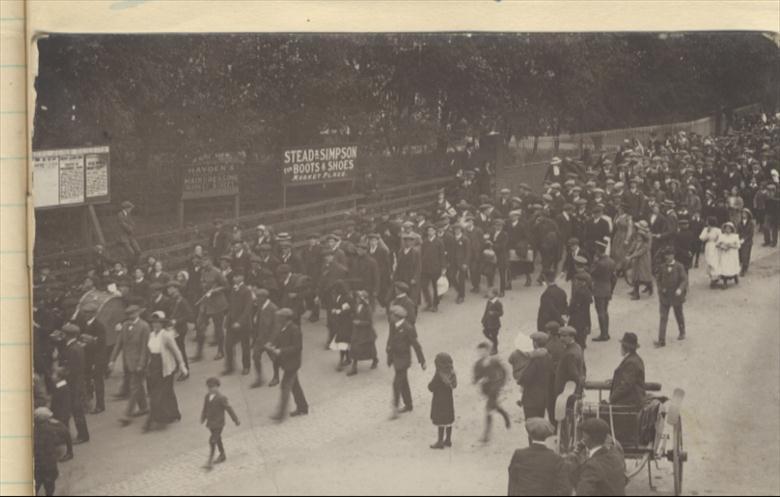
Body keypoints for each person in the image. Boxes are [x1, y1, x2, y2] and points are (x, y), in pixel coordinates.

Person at [144, 311, 188, 432]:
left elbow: (176, 351)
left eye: (158, 322)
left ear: (162, 324)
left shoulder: (166, 335)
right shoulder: (151, 335)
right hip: (153, 366)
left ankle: (154, 419)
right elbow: (148, 351)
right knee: (167, 391)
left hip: (165, 367)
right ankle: (174, 413)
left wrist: (182, 365)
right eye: (153, 322)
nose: (155, 325)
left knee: (158, 393)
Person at [109, 305, 150, 426]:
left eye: (133, 314)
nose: (130, 317)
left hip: (139, 364)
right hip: (127, 363)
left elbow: (144, 348)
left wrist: (141, 364)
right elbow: (119, 344)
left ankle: (127, 415)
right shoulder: (126, 325)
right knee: (138, 387)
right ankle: (144, 407)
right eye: (128, 315)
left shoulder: (144, 327)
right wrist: (112, 360)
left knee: (134, 387)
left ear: (138, 313)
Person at [507, 418, 571, 496]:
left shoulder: (519, 455)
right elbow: (565, 489)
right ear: (547, 436)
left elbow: (512, 484)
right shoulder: (556, 459)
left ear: (529, 435)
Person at [267, 308, 309, 421]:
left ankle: (280, 414)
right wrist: (272, 345)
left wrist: (281, 351)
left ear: (285, 319)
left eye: (280, 317)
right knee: (295, 386)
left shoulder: (295, 330)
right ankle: (303, 407)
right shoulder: (283, 328)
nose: (278, 319)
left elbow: (297, 347)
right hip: (287, 363)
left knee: (285, 386)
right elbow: (280, 341)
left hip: (292, 364)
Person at [387, 305, 427, 419]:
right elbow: (390, 339)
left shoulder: (408, 328)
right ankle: (409, 405)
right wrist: (389, 355)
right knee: (404, 382)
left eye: (392, 315)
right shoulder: (393, 325)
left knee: (396, 384)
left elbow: (416, 345)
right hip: (396, 358)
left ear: (397, 317)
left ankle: (395, 409)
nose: (390, 317)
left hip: (404, 360)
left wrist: (422, 361)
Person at [570, 418, 627, 496]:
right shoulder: (616, 456)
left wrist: (575, 453)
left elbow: (582, 492)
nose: (582, 439)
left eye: (583, 435)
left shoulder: (592, 466)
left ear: (588, 437)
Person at [58, 323, 90, 444]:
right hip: (78, 383)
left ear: (66, 335)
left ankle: (83, 435)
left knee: (77, 410)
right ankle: (83, 434)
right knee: (77, 410)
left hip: (74, 384)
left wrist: (61, 371)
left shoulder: (72, 349)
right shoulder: (77, 346)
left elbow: (71, 370)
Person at [473, 342, 511, 443]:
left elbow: (504, 372)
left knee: (488, 409)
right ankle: (504, 414)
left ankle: (486, 435)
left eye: (484, 351)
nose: (481, 353)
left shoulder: (495, 361)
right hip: (485, 390)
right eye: (480, 351)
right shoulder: (477, 364)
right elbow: (475, 378)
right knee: (494, 406)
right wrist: (479, 380)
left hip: (494, 389)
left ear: (488, 351)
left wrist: (501, 383)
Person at [201, 377, 240, 470]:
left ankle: (209, 462)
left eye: (212, 387)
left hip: (219, 423)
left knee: (212, 440)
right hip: (211, 423)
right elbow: (205, 408)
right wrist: (203, 417)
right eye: (209, 387)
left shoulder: (221, 398)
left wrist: (235, 420)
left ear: (217, 387)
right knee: (218, 439)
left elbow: (229, 409)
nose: (210, 389)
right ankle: (222, 454)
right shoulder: (207, 397)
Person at [34, 407, 72, 496]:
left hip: (37, 464)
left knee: (36, 484)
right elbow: (66, 432)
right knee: (49, 486)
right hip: (49, 463)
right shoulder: (53, 428)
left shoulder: (34, 429)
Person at [655, 247, 688, 348]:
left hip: (676, 296)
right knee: (663, 317)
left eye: (669, 255)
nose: (667, 257)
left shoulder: (679, 266)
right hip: (665, 297)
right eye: (666, 255)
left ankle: (682, 331)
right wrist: (661, 289)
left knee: (678, 314)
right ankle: (661, 340)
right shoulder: (662, 267)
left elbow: (684, 280)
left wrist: (680, 289)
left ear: (673, 255)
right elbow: (658, 280)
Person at [517, 332, 553, 420]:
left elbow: (526, 378)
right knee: (539, 421)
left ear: (535, 343)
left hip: (532, 398)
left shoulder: (535, 358)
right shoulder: (548, 356)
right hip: (543, 398)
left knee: (531, 424)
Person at [224, 273, 253, 376]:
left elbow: (248, 309)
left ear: (242, 277)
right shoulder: (233, 289)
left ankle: (246, 366)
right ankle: (230, 367)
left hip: (243, 324)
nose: (234, 278)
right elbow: (231, 306)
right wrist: (227, 320)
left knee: (245, 346)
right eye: (234, 276)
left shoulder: (247, 291)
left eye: (236, 276)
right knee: (228, 345)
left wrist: (239, 322)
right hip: (231, 323)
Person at [251, 288, 280, 388]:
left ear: (264, 297)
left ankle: (276, 377)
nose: (256, 300)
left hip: (269, 340)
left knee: (274, 359)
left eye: (257, 298)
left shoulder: (273, 308)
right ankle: (259, 378)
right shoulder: (260, 306)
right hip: (260, 339)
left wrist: (271, 341)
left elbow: (277, 327)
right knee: (255, 356)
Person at [428, 353, 457, 450]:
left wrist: (430, 386)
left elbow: (431, 387)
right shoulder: (452, 372)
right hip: (449, 400)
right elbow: (454, 385)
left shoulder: (439, 374)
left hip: (439, 401)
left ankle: (440, 442)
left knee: (440, 421)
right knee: (448, 420)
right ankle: (448, 440)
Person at [608, 332, 646, 407]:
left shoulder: (631, 362)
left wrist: (611, 399)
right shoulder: (635, 358)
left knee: (602, 409)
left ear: (626, 348)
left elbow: (626, 385)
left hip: (630, 402)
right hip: (631, 399)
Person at [348, 290, 379, 376]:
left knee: (369, 348)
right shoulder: (357, 306)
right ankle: (354, 367)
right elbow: (355, 314)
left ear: (362, 299)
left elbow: (369, 322)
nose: (357, 299)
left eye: (358, 297)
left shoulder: (367, 308)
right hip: (357, 331)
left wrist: (360, 323)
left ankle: (375, 359)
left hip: (366, 332)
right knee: (355, 347)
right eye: (357, 297)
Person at [591, 241, 616, 342]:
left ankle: (603, 334)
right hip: (608, 288)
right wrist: (611, 289)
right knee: (605, 311)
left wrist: (594, 262)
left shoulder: (599, 263)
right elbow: (614, 278)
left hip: (599, 289)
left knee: (600, 312)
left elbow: (592, 272)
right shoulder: (611, 261)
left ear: (598, 251)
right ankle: (606, 332)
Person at [420, 223, 446, 312]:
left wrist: (443, 268)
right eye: (428, 231)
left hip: (436, 268)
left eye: (432, 230)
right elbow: (422, 255)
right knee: (424, 286)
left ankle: (435, 304)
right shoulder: (424, 242)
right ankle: (428, 302)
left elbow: (442, 256)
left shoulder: (439, 242)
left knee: (436, 287)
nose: (430, 232)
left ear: (435, 232)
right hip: (425, 268)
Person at [625, 221, 654, 300]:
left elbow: (643, 250)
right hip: (636, 258)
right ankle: (636, 291)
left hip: (644, 259)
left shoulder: (647, 237)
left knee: (643, 275)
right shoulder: (639, 235)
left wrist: (631, 256)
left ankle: (648, 287)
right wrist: (629, 251)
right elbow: (634, 243)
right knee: (635, 275)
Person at [699, 216, 723, 289]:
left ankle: (715, 278)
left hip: (715, 246)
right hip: (708, 246)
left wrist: (717, 243)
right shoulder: (706, 229)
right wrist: (707, 232)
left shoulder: (717, 230)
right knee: (709, 261)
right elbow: (702, 238)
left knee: (714, 261)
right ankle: (712, 277)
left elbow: (721, 238)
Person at [717, 222, 742, 288]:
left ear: (732, 229)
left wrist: (731, 245)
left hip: (732, 254)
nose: (727, 230)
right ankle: (725, 282)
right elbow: (717, 244)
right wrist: (722, 246)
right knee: (724, 267)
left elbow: (738, 246)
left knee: (732, 266)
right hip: (724, 254)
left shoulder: (735, 236)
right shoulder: (722, 236)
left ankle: (735, 276)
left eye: (729, 229)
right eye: (726, 228)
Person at [482, 287, 504, 355]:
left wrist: (494, 313)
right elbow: (486, 311)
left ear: (494, 294)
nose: (488, 294)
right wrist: (483, 320)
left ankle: (495, 348)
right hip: (488, 322)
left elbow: (501, 313)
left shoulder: (498, 303)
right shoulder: (489, 301)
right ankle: (495, 342)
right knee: (485, 332)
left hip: (495, 324)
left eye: (490, 293)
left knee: (494, 336)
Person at [738, 209, 755, 276]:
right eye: (742, 214)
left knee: (746, 254)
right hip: (740, 240)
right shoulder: (739, 223)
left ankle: (744, 268)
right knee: (740, 254)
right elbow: (738, 231)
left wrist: (744, 239)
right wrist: (739, 238)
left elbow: (751, 233)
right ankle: (743, 266)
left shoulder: (751, 223)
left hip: (748, 241)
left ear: (748, 215)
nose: (743, 215)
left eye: (745, 214)